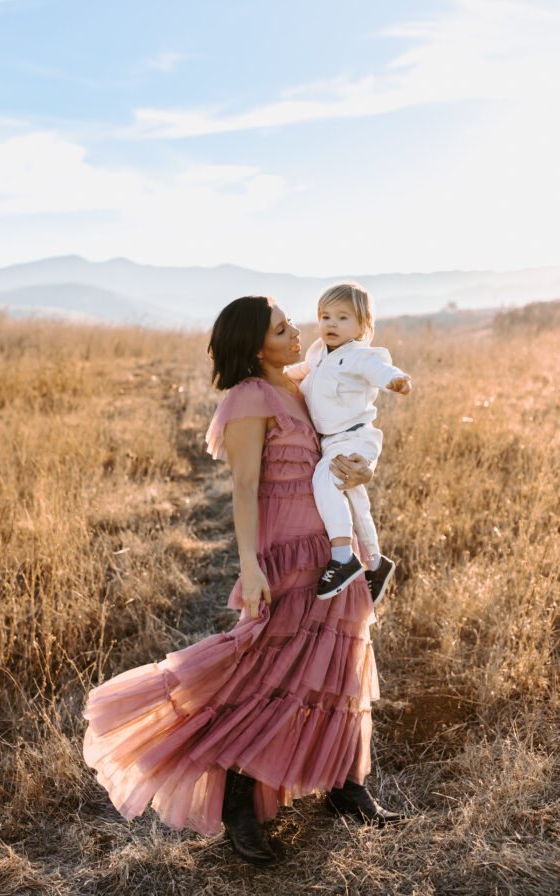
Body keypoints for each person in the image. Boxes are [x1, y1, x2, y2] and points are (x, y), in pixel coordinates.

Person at [82, 295, 399, 868]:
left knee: (342, 658)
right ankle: (237, 804)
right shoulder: (250, 397)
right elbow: (245, 486)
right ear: (256, 347)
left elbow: (347, 439)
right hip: (285, 548)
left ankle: (345, 784)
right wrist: (251, 565)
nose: (297, 331)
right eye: (282, 329)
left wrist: (364, 467)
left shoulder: (303, 386)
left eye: (290, 322)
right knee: (264, 666)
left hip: (333, 544)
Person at [288, 282, 411, 604]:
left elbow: (379, 368)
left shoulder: (359, 355)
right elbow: (300, 371)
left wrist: (394, 380)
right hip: (332, 441)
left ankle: (342, 555)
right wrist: (271, 376)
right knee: (353, 497)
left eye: (343, 318)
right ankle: (374, 561)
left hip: (355, 435)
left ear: (362, 326)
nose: (331, 323)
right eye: (325, 316)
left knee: (326, 478)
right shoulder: (318, 354)